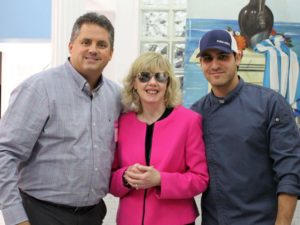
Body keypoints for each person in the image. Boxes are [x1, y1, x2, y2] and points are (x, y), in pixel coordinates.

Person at [0, 12, 122, 225]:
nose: (93, 49)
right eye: (86, 42)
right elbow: (5, 153)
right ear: (71, 46)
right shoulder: (38, 89)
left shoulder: (116, 96)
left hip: (92, 215)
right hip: (40, 214)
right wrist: (15, 218)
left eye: (101, 44)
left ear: (111, 53)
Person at [191, 29, 300, 225]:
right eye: (207, 58)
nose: (215, 65)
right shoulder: (195, 114)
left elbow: (290, 171)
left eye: (223, 57)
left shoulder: (270, 104)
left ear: (238, 57)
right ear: (201, 64)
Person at [109, 51, 209, 225]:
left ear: (168, 83)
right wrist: (124, 177)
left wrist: (160, 180)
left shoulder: (189, 121)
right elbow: (109, 179)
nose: (152, 83)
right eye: (144, 76)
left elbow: (200, 179)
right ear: (134, 83)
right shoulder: (122, 122)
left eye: (160, 77)